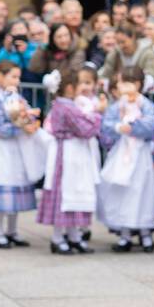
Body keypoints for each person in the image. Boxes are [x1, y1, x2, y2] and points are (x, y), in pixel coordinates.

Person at [37, 66, 103, 254]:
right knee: (64, 195)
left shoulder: (68, 105)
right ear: (68, 88)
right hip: (67, 153)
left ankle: (74, 235)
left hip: (76, 152)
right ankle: (58, 237)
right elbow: (86, 129)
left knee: (76, 194)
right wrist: (97, 115)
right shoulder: (65, 107)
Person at [0, 60, 44, 248]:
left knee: (15, 185)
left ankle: (12, 230)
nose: (16, 81)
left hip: (16, 147)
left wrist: (29, 118)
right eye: (12, 76)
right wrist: (18, 126)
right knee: (2, 186)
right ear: (0, 76)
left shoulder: (16, 97)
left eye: (18, 77)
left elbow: (27, 113)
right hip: (1, 146)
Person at [98, 66, 154, 253]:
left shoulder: (145, 104)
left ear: (138, 84)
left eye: (127, 82)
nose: (123, 87)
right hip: (121, 153)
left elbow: (151, 125)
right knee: (121, 191)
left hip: (140, 154)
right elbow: (106, 124)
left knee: (142, 191)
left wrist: (133, 127)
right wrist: (118, 128)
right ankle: (124, 233)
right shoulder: (117, 106)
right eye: (121, 83)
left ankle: (145, 233)